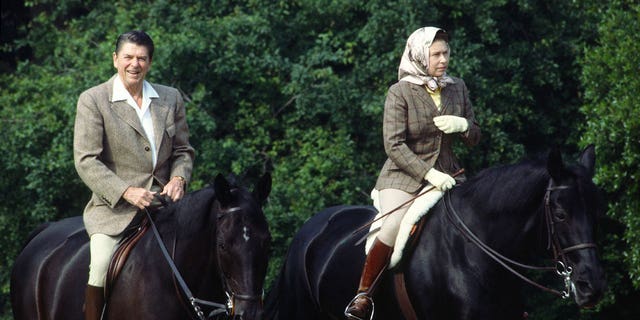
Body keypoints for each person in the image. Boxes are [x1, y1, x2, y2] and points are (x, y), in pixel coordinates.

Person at [344, 26, 481, 320]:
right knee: (392, 225)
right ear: (420, 56)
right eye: (436, 54)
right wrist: (428, 174)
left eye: (446, 53)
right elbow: (393, 145)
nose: (443, 59)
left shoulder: (457, 87)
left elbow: (475, 135)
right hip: (403, 176)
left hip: (449, 173)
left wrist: (465, 126)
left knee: (481, 221)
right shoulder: (400, 91)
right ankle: (363, 295)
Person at [73, 30, 195, 320]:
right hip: (115, 211)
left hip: (168, 208)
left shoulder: (170, 98)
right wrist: (126, 191)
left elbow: (184, 151)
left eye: (141, 58)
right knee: (100, 267)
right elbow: (86, 160)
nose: (134, 64)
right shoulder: (93, 100)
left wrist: (179, 178)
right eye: (128, 57)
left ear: (150, 62)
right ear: (115, 59)